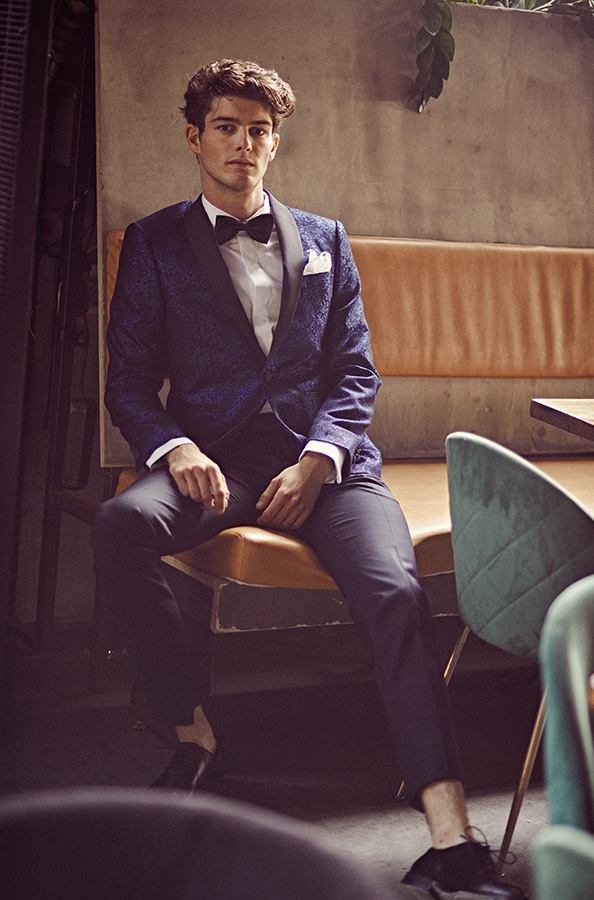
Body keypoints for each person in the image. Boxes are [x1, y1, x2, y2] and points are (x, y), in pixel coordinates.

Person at [92, 59, 526, 899]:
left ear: (275, 142)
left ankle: (452, 834)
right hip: (214, 462)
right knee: (121, 525)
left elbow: (355, 372)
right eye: (227, 127)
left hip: (328, 468)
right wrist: (176, 449)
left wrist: (321, 458)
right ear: (194, 138)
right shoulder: (152, 243)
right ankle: (191, 730)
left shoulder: (326, 238)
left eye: (258, 130)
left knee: (396, 593)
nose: (243, 143)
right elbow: (129, 384)